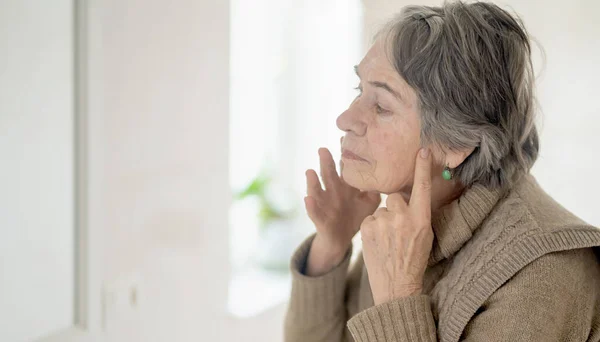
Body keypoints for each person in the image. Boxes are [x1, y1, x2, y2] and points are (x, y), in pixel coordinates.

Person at [283, 2, 600, 341]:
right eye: (360, 90)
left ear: (455, 144)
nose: (345, 120)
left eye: (381, 106)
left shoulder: (543, 275)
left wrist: (398, 297)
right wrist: (331, 245)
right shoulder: (404, 223)